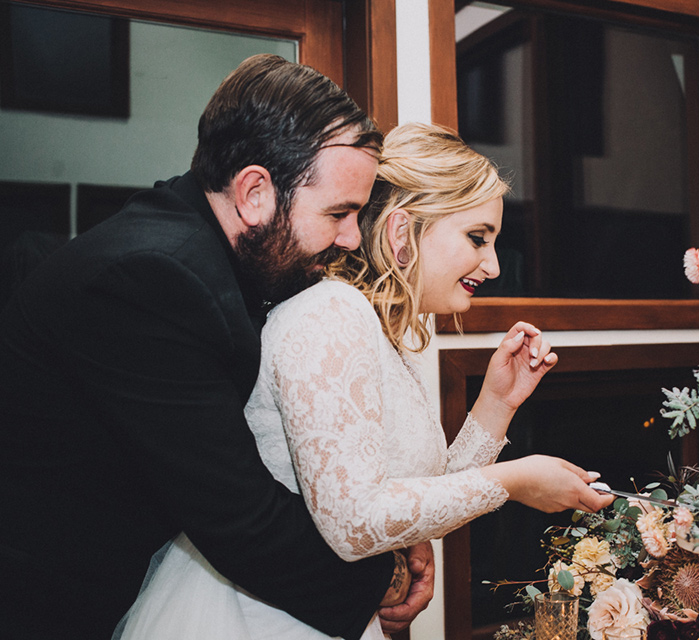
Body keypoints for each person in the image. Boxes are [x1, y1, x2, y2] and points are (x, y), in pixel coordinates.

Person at [116, 122, 615, 639]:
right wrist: (515, 481)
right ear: (402, 233)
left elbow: (419, 503)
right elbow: (355, 523)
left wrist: (497, 402)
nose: (491, 265)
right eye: (476, 238)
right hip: (257, 616)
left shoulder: (379, 331)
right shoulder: (331, 313)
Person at [0, 54, 422, 640]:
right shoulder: (152, 278)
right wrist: (383, 577)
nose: (352, 238)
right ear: (254, 192)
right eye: (339, 213)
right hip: (49, 601)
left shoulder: (214, 252)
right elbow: (238, 516)